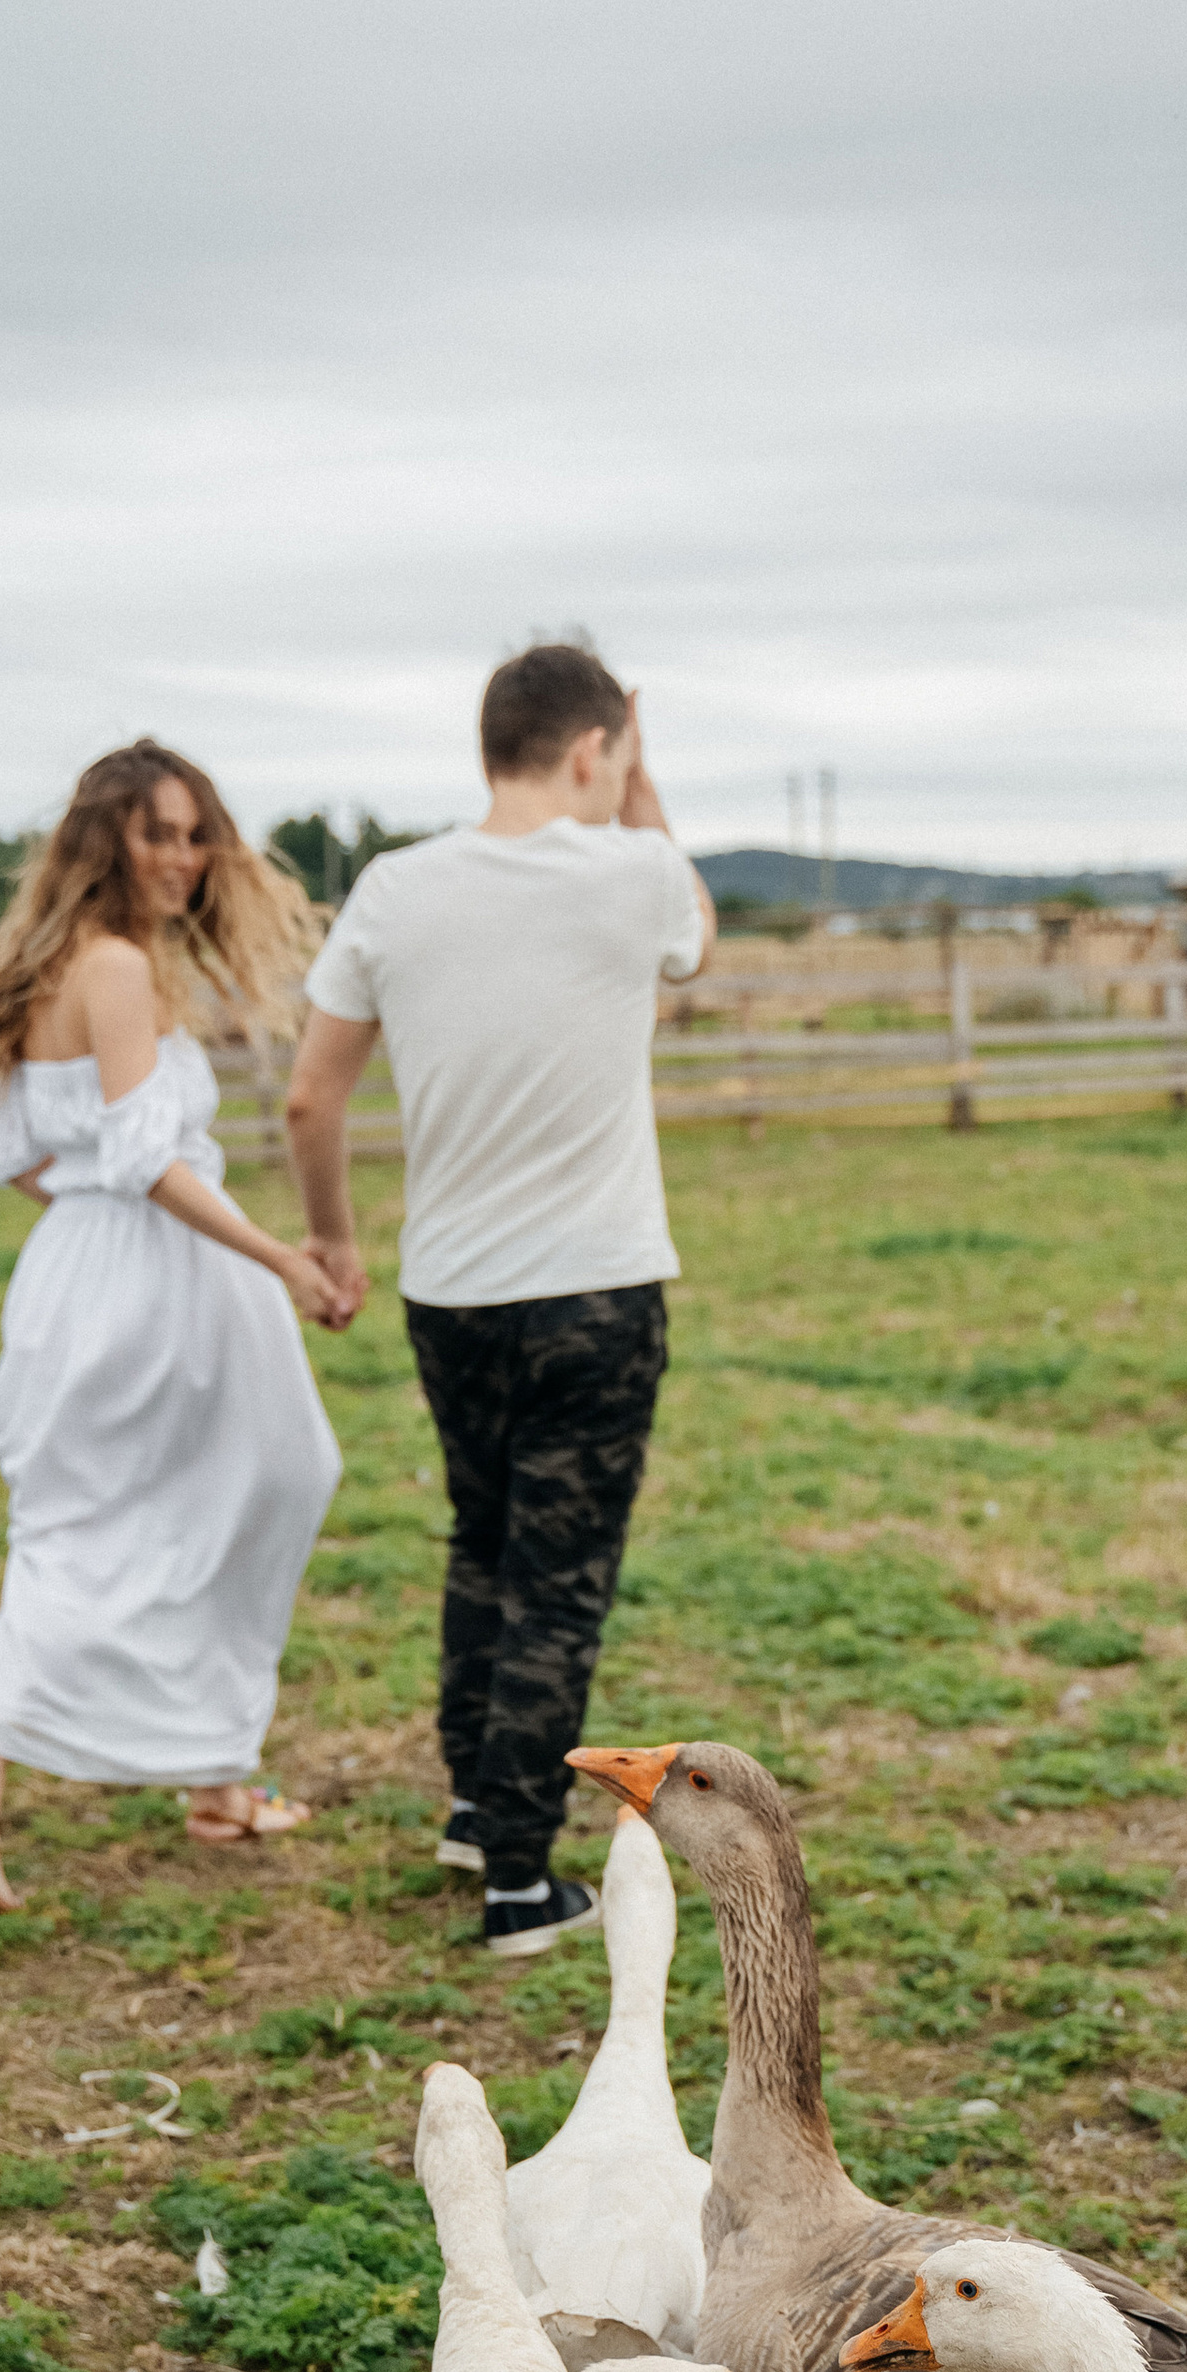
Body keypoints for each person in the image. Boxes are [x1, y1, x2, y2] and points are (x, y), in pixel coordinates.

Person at [284, 645, 713, 1958]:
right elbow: (694, 944)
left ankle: (478, 1800)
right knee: (559, 1581)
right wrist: (646, 787)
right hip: (596, 1288)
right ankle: (521, 1882)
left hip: (451, 1294)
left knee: (483, 1543)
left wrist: (333, 1241)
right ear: (591, 751)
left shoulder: (394, 889)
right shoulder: (634, 869)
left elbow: (312, 1094)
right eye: (616, 756)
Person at [0, 739, 355, 1916]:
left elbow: (9, 1156)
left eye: (193, 831)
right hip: (164, 1279)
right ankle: (119, 1783)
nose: (183, 855)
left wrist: (93, 1214)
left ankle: (31, 1788)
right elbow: (147, 1156)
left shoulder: (51, 964)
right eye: (156, 833)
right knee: (237, 1485)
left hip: (75, 1270)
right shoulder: (116, 967)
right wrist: (279, 1256)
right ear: (105, 838)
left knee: (133, 1505)